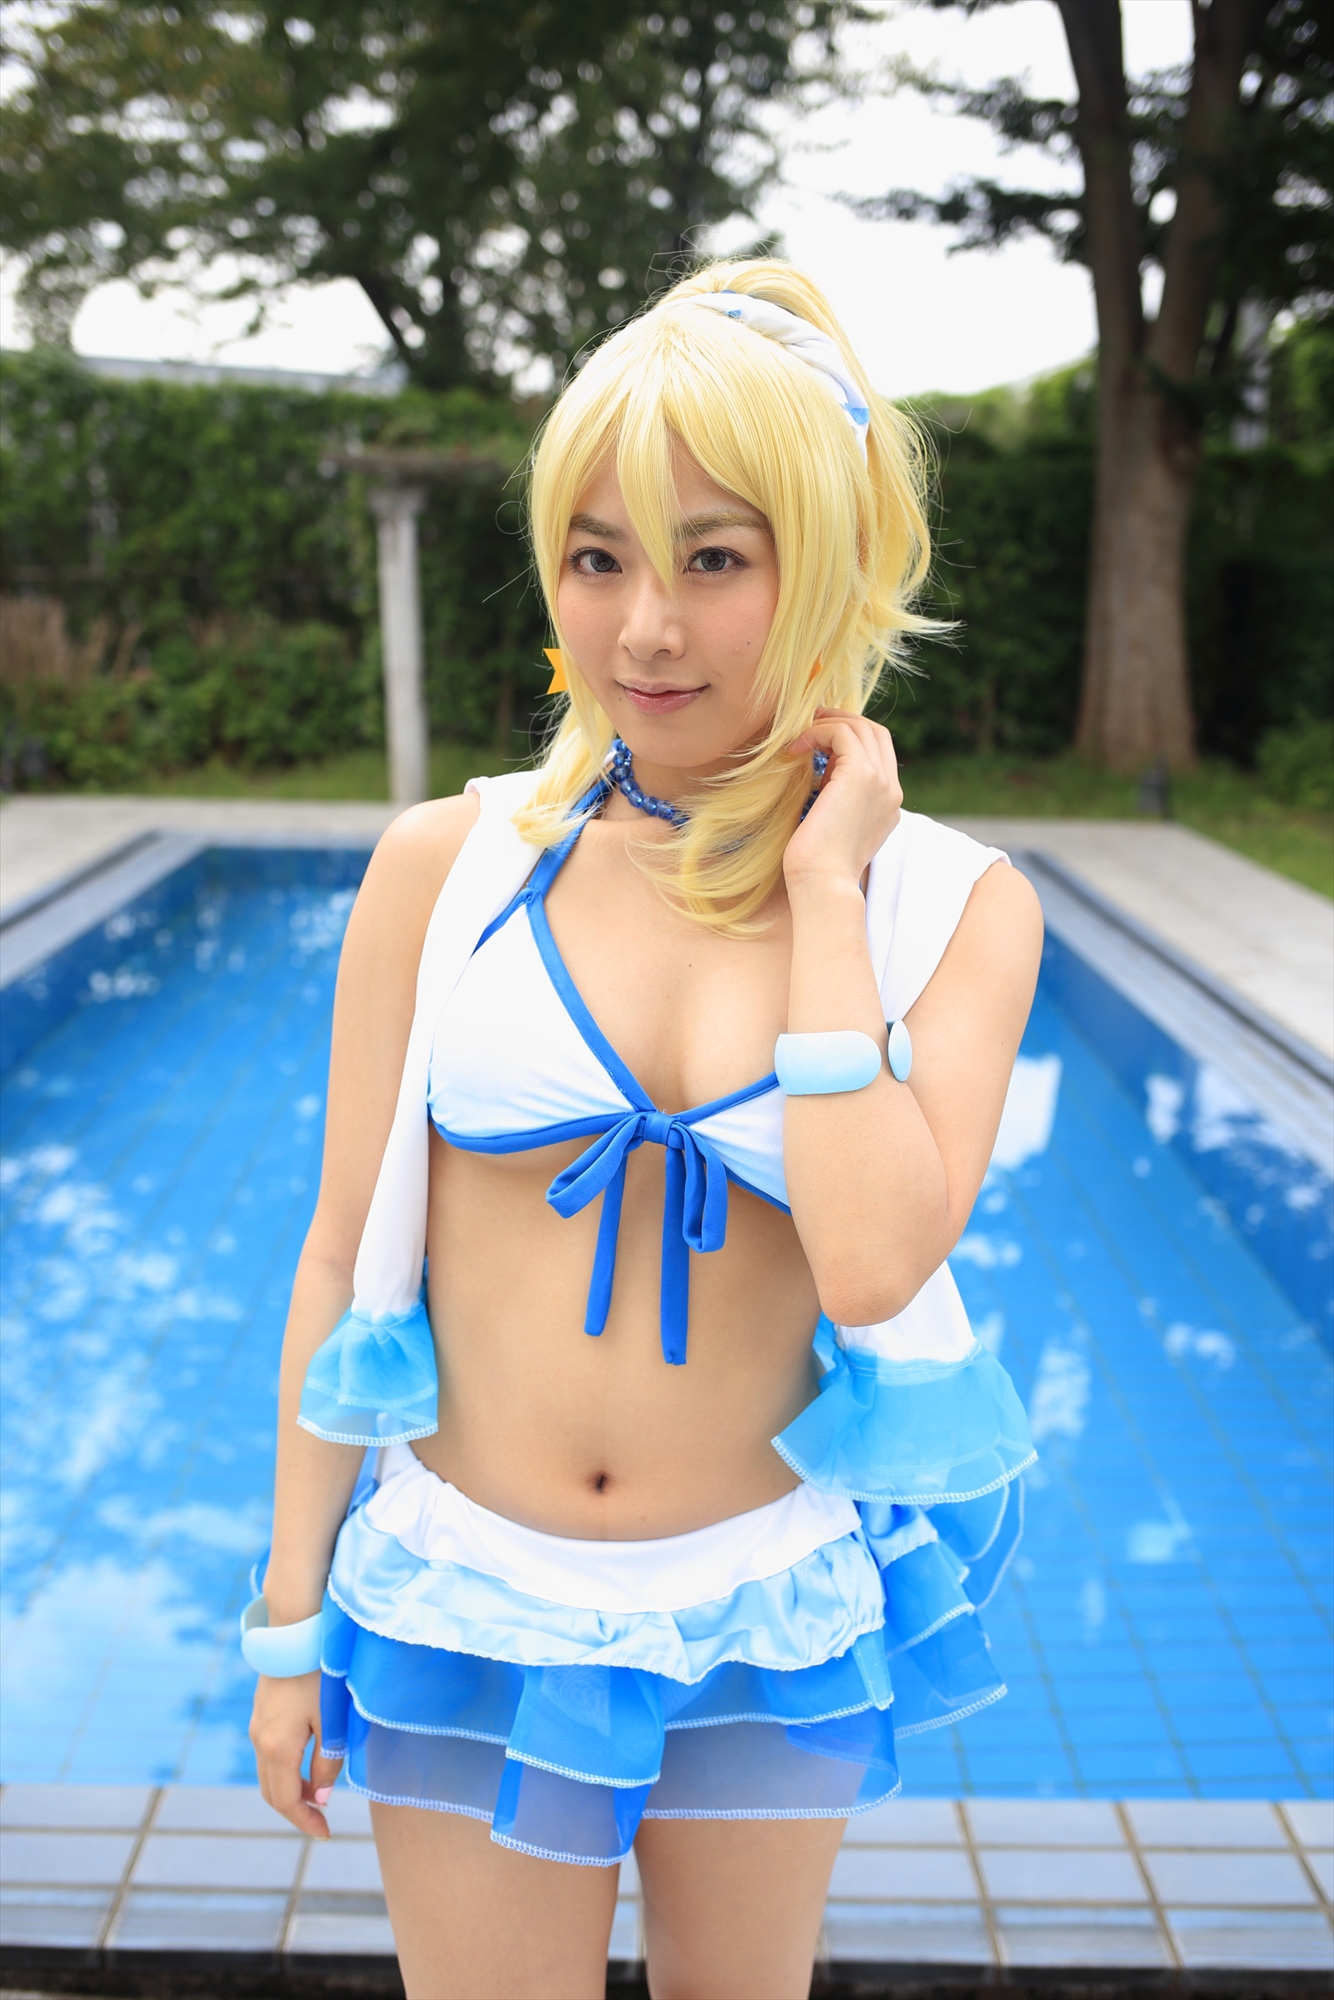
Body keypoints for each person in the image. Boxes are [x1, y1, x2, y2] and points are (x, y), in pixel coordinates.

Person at [246, 259, 1042, 2000]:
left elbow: (872, 1260)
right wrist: (288, 1617)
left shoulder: (944, 910)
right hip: (462, 1588)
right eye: (597, 559)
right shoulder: (443, 869)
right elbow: (339, 1255)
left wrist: (822, 896)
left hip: (761, 1600)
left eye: (714, 561)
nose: (645, 631)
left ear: (823, 568)